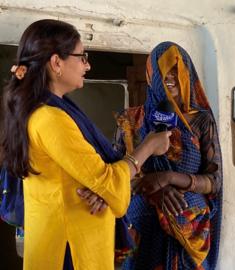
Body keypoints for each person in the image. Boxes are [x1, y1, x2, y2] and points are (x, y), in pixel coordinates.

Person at [0, 19, 171, 270]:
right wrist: (147, 147)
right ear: (56, 62)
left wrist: (103, 190)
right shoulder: (50, 118)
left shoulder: (54, 109)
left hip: (67, 238)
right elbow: (108, 181)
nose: (87, 65)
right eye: (82, 57)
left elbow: (92, 179)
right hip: (69, 251)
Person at [115, 42, 223, 270]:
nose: (170, 77)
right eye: (163, 71)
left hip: (188, 235)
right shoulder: (131, 121)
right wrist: (155, 191)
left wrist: (168, 177)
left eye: (177, 70)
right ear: (151, 75)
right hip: (142, 233)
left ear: (188, 73)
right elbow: (114, 176)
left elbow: (214, 182)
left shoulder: (202, 121)